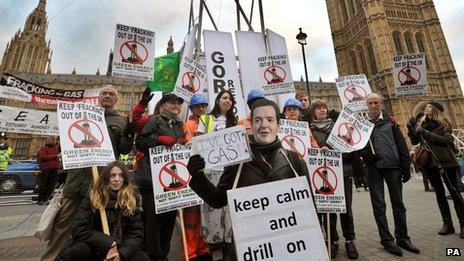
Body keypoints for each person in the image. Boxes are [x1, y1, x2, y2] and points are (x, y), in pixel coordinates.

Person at [187, 98, 310, 259]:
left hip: (288, 247)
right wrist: (197, 175)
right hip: (249, 249)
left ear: (278, 126)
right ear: (251, 125)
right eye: (258, 120)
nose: (264, 124)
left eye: (270, 119)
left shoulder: (295, 161)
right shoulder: (237, 164)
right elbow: (217, 200)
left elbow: (309, 208)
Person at [42, 85, 135, 261]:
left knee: (96, 228)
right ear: (98, 97)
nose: (107, 96)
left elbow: (123, 150)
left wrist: (129, 136)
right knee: (62, 225)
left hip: (100, 183)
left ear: (117, 99)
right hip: (75, 181)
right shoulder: (81, 114)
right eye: (104, 93)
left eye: (111, 94)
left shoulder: (120, 122)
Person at [360, 93, 419, 256]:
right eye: (370, 103)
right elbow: (358, 146)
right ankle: (387, 240)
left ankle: (402, 237)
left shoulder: (391, 122)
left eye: (376, 102)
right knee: (379, 205)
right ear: (367, 105)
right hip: (373, 168)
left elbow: (401, 143)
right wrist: (367, 155)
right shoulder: (362, 125)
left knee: (398, 204)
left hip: (393, 166)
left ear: (381, 104)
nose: (373, 105)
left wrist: (406, 165)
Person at [63, 161, 149, 261]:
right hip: (96, 246)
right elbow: (79, 229)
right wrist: (108, 243)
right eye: (113, 175)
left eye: (120, 175)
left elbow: (136, 233)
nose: (117, 179)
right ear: (106, 178)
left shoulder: (131, 198)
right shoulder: (93, 196)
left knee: (142, 258)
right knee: (78, 251)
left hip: (122, 246)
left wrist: (121, 255)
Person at [135, 93, 186, 260]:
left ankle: (163, 254)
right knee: (153, 225)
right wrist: (159, 139)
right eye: (172, 103)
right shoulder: (154, 120)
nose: (176, 106)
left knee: (168, 224)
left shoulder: (179, 125)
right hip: (151, 182)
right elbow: (140, 143)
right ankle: (153, 256)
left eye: (178, 103)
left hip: (171, 183)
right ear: (163, 105)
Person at [309, 99, 359, 259]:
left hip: (343, 172)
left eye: (324, 107)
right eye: (318, 108)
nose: (322, 110)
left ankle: (350, 240)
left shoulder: (339, 127)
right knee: (329, 209)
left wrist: (330, 150)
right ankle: (333, 241)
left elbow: (350, 150)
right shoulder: (308, 130)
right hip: (322, 177)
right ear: (314, 112)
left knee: (346, 209)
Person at [407, 101, 464, 239]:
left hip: (447, 162)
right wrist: (411, 128)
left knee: (454, 192)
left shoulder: (445, 123)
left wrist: (425, 132)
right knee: (439, 193)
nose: (426, 108)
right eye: (426, 107)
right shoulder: (422, 125)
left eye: (429, 107)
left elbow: (445, 140)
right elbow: (415, 142)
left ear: (436, 110)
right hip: (430, 163)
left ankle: (463, 224)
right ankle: (447, 223)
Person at [196, 90, 237, 261]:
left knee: (228, 209)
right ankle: (214, 246)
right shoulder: (206, 119)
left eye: (230, 99)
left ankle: (229, 243)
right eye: (224, 98)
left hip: (229, 170)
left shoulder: (235, 121)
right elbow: (197, 143)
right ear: (218, 100)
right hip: (211, 169)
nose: (227, 101)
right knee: (211, 208)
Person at [182, 94, 212, 261]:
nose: (201, 109)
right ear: (192, 108)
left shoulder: (210, 122)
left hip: (210, 173)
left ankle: (202, 247)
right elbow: (190, 144)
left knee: (204, 214)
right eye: (198, 106)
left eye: (203, 106)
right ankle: (190, 251)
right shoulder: (189, 124)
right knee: (191, 217)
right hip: (195, 174)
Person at [37, 136, 61, 205]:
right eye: (47, 139)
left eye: (49, 139)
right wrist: (54, 156)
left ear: (53, 140)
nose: (47, 140)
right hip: (46, 168)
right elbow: (43, 157)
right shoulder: (43, 148)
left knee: (51, 185)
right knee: (43, 184)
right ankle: (41, 199)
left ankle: (48, 198)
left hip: (54, 168)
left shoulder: (56, 148)